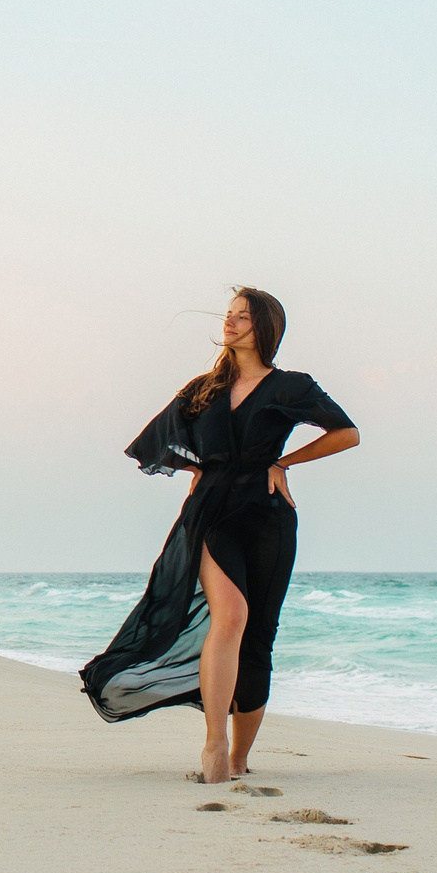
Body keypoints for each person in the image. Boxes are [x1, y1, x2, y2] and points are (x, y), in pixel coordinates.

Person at [80, 287, 360, 782]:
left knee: (259, 636)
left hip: (269, 516)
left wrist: (283, 463)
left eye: (242, 317)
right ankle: (215, 743)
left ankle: (239, 759)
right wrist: (201, 472)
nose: (229, 323)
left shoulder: (290, 386)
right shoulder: (203, 390)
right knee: (230, 617)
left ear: (265, 327)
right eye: (228, 315)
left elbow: (346, 433)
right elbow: (158, 443)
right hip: (212, 514)